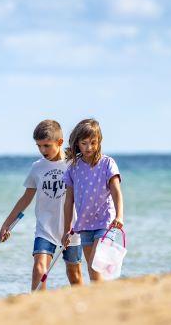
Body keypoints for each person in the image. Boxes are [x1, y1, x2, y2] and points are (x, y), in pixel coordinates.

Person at [0, 120, 83, 291]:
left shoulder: (74, 164)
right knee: (39, 268)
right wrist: (7, 224)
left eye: (46, 145)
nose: (42, 151)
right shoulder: (37, 167)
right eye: (39, 146)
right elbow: (25, 198)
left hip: (72, 228)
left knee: (74, 274)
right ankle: (37, 306)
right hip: (45, 228)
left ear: (59, 142)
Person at [61, 118, 124, 282]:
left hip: (106, 223)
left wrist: (120, 216)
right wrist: (67, 229)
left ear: (99, 142)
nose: (89, 147)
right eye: (84, 143)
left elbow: (116, 191)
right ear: (77, 144)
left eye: (93, 142)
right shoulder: (73, 169)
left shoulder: (107, 163)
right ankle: (102, 301)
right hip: (84, 226)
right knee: (94, 272)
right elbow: (69, 201)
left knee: (96, 265)